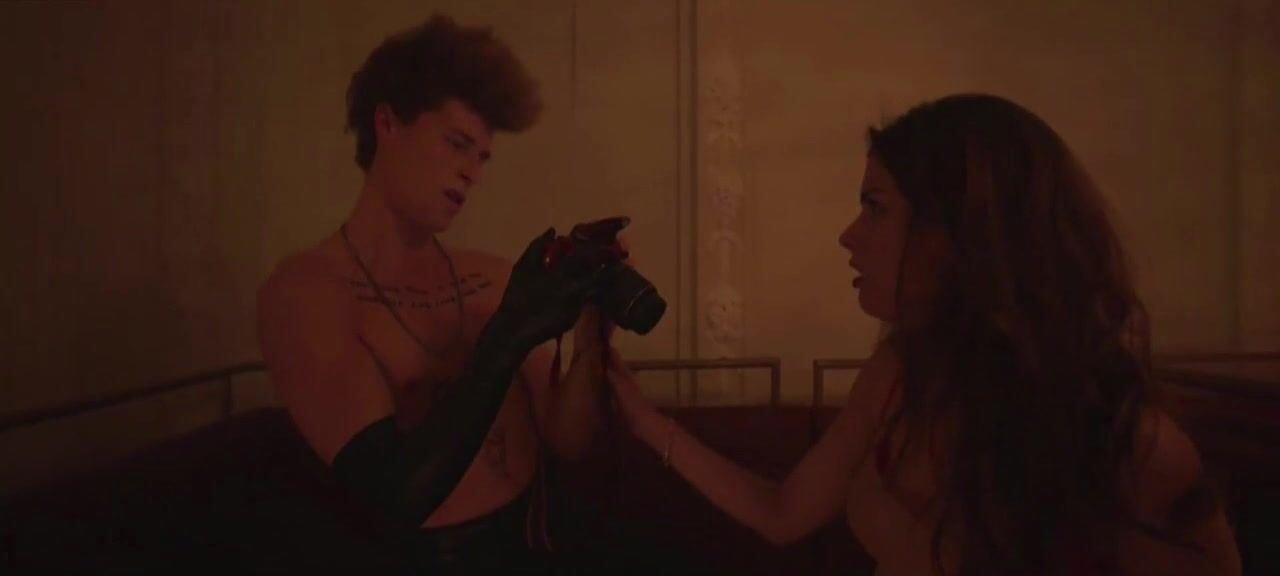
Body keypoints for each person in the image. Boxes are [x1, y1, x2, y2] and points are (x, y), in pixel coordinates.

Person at [606, 93, 1242, 575]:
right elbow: (782, 512)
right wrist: (642, 419)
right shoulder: (900, 374)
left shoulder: (1125, 444)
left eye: (875, 207)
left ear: (958, 232)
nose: (848, 235)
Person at [257, 14, 629, 573]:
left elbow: (567, 440)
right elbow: (393, 495)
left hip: (533, 545)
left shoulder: (493, 277)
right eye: (457, 144)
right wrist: (509, 334)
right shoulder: (307, 292)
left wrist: (591, 335)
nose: (472, 173)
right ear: (388, 124)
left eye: (481, 157)